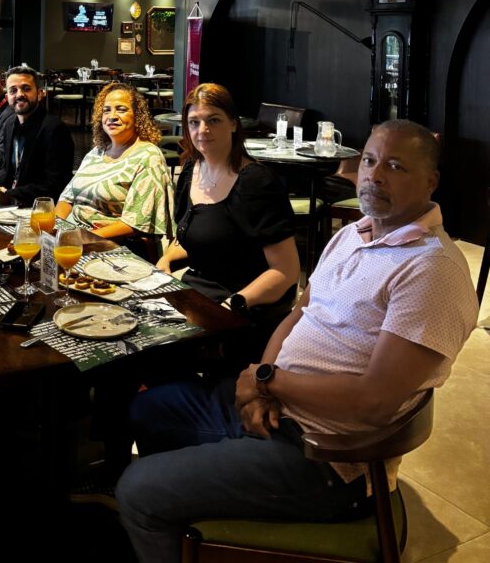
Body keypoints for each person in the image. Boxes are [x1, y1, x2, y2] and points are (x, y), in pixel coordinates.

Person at [115, 120, 478, 563]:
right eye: (369, 161)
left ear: (431, 182)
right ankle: (194, 520)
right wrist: (260, 389)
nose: (375, 175)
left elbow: (374, 403)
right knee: (148, 411)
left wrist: (267, 381)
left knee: (136, 491)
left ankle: (171, 513)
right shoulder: (352, 234)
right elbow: (299, 314)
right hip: (281, 413)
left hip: (326, 460)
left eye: (396, 166)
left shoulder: (431, 271)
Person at [156, 83, 299, 355]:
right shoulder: (191, 170)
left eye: (214, 120)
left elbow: (286, 271)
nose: (203, 130)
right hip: (198, 293)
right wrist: (166, 260)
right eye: (194, 122)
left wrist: (234, 304)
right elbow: (199, 236)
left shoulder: (256, 183)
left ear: (233, 124)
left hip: (243, 305)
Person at [56, 83, 173, 244]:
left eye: (121, 109)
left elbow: (137, 223)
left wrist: (82, 238)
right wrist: (55, 228)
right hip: (73, 235)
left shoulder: (148, 156)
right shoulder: (97, 152)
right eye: (106, 110)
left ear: (137, 115)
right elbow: (66, 199)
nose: (112, 116)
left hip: (115, 243)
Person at [0, 65, 74, 207]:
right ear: (7, 97)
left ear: (40, 94)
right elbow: (7, 169)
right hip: (10, 205)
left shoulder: (55, 129)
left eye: (26, 88)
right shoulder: (9, 124)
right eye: (13, 90)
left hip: (39, 207)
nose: (19, 94)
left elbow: (56, 184)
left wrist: (12, 194)